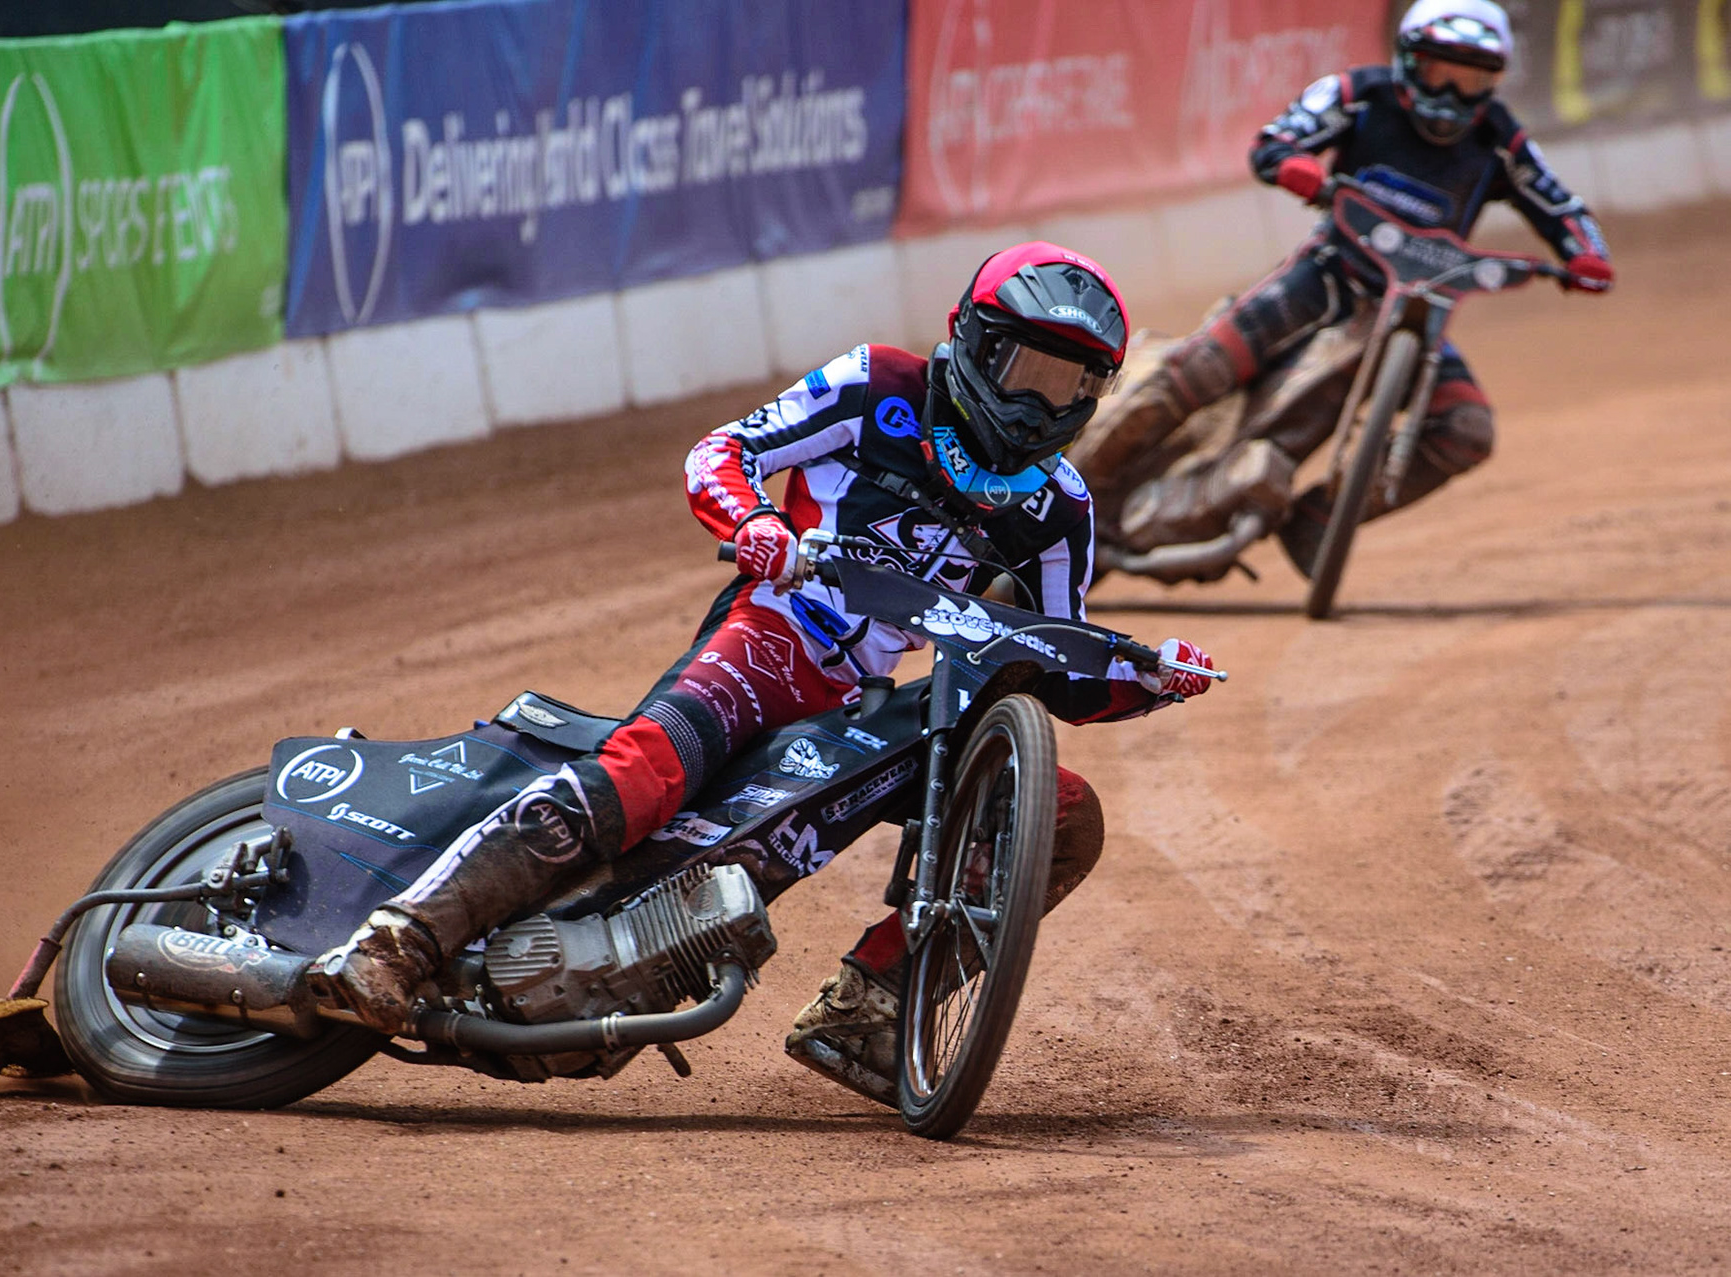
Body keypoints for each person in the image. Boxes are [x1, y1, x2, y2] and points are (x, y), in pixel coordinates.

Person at [311, 241, 1216, 1106]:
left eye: (1072, 385)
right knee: (647, 772)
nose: (1040, 406)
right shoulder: (876, 385)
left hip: (873, 699)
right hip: (773, 637)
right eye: (1030, 370)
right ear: (975, 340)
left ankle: (870, 1012)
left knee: (1060, 814)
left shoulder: (1061, 506)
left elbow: (1056, 654)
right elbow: (721, 451)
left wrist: (1145, 678)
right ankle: (399, 938)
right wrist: (754, 523)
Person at [1077, 0, 1612, 575]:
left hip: (1417, 308)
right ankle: (1071, 493)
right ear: (1408, 60)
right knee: (1201, 365)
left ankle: (1320, 521)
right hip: (1327, 272)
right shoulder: (1359, 93)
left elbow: (1561, 204)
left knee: (1467, 429)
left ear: (1496, 81)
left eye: (1473, 79)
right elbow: (1275, 142)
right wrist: (1296, 167)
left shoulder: (1500, 138)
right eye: (1441, 73)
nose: (1454, 96)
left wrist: (1585, 254)